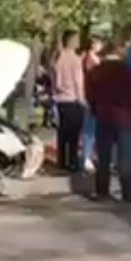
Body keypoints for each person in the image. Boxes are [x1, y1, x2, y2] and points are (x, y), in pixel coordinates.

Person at [85, 40, 131, 204]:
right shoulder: (129, 72)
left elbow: (90, 96)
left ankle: (102, 190)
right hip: (127, 118)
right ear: (119, 54)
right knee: (126, 157)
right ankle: (128, 193)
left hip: (105, 116)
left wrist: (96, 111)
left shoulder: (95, 72)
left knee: (104, 156)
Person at [51, 29, 85, 172]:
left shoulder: (58, 58)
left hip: (60, 99)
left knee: (62, 132)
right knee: (74, 133)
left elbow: (55, 81)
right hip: (73, 99)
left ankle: (61, 162)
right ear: (71, 41)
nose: (78, 42)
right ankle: (72, 162)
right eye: (76, 39)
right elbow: (78, 82)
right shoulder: (75, 60)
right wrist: (82, 99)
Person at [80, 36, 103, 171]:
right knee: (90, 129)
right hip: (93, 97)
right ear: (93, 45)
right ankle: (87, 157)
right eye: (99, 43)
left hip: (91, 96)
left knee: (91, 128)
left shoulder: (87, 58)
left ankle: (88, 156)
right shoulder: (92, 60)